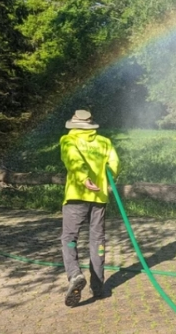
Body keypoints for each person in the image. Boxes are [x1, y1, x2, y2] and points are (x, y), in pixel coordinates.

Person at [59, 109, 119, 307]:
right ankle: (98, 286)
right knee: (97, 239)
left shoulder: (69, 140)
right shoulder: (104, 142)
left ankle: (75, 275)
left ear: (74, 124)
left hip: (77, 196)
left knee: (69, 238)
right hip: (99, 198)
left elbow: (73, 161)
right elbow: (115, 164)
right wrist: (106, 175)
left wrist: (84, 179)